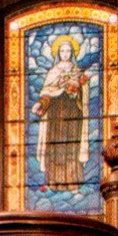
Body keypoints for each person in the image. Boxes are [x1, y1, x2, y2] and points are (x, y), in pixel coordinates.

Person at [32, 36, 90, 190]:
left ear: (72, 53)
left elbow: (82, 96)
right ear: (58, 52)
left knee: (72, 147)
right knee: (55, 148)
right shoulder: (53, 71)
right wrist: (41, 103)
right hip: (56, 117)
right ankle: (54, 182)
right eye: (63, 50)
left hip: (73, 115)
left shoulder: (76, 71)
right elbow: (47, 93)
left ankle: (73, 182)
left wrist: (79, 87)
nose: (66, 53)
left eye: (68, 50)